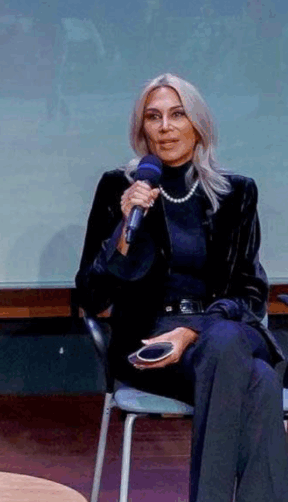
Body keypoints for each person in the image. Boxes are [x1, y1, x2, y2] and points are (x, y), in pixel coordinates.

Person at [75, 73, 288, 501]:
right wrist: (123, 230)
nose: (165, 127)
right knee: (261, 380)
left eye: (177, 115)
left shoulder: (236, 193)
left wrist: (193, 331)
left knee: (225, 340)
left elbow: (250, 292)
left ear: (198, 125)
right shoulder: (119, 188)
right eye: (153, 117)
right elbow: (92, 296)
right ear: (141, 129)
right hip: (151, 341)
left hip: (222, 328)